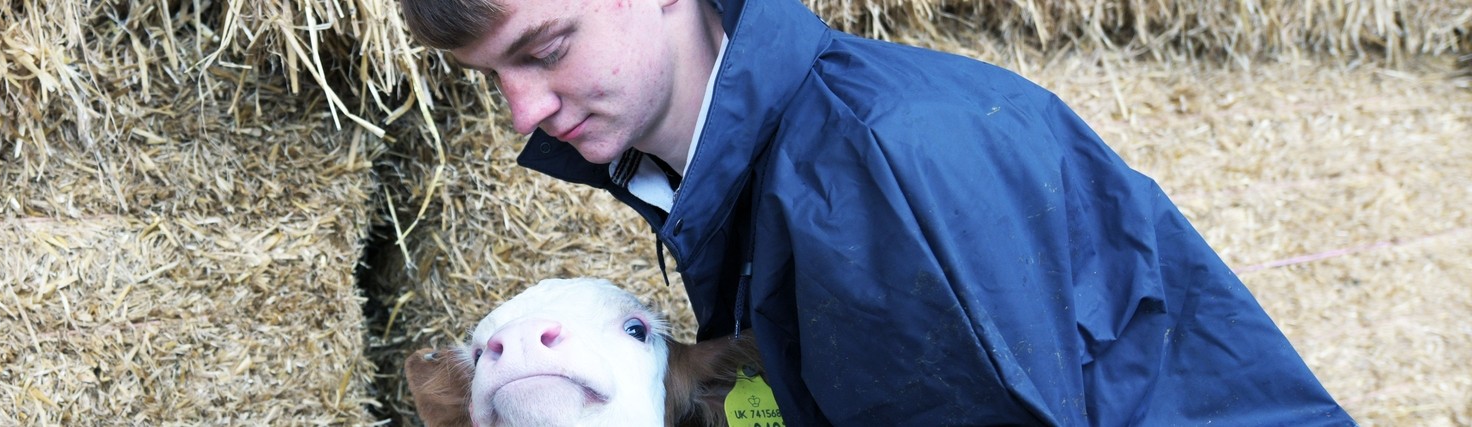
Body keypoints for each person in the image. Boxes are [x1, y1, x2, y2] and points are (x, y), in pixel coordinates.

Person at [398, 0, 1355, 424]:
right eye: (493, 80)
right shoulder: (745, 162)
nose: (525, 114)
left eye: (545, 49)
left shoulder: (874, 168)